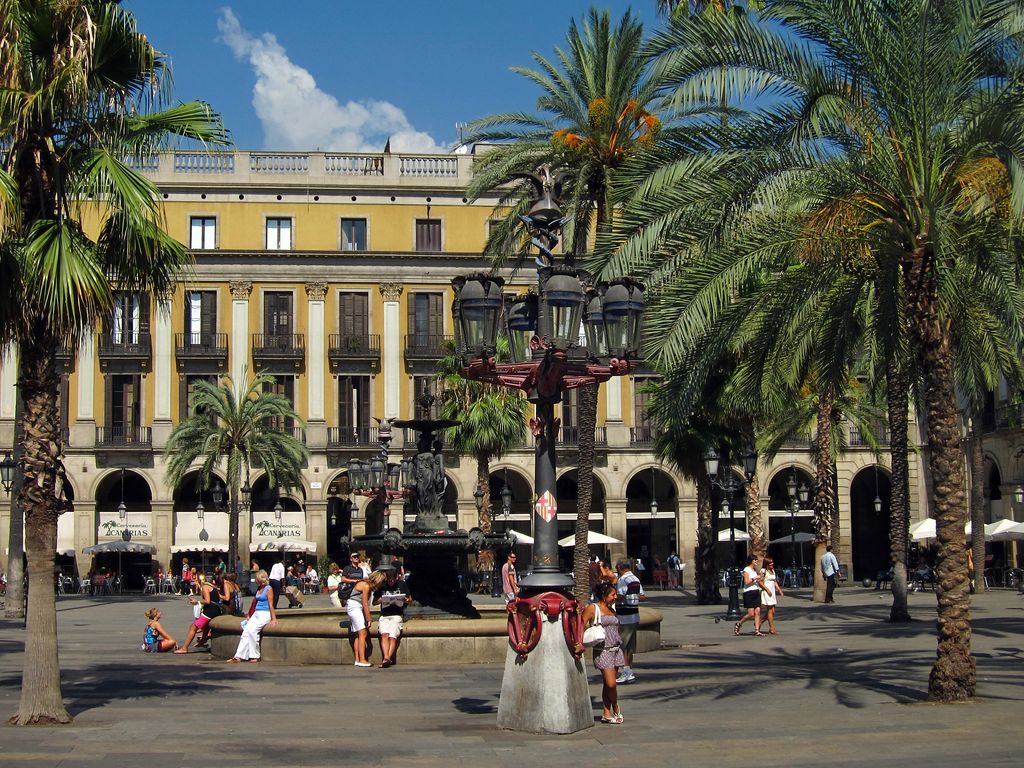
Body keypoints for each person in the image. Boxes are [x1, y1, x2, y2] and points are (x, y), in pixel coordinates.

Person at [582, 582, 624, 724]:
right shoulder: (593, 608)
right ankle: (616, 707)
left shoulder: (611, 609)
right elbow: (580, 625)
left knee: (608, 684)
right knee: (611, 684)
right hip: (603, 650)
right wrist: (578, 644)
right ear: (604, 596)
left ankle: (606, 713)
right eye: (613, 595)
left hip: (616, 649)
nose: (615, 597)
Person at [228, 569, 277, 663]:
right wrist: (250, 614)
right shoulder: (259, 588)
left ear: (262, 579)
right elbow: (254, 602)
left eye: (257, 579)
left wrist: (273, 618)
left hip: (265, 613)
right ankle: (238, 656)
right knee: (246, 631)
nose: (255, 580)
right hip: (256, 613)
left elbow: (271, 605)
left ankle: (255, 655)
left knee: (253, 631)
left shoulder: (268, 589)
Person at [614, 558, 645, 683]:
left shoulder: (623, 580)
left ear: (619, 567)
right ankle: (629, 671)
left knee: (622, 645)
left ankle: (626, 672)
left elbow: (621, 596)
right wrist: (633, 596)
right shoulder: (635, 579)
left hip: (625, 616)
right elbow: (642, 597)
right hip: (634, 615)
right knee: (630, 646)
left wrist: (612, 598)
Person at [347, 570, 387, 667]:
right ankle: (362, 660)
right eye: (382, 582)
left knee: (357, 634)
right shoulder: (366, 586)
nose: (382, 584)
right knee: (363, 633)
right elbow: (365, 604)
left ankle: (357, 659)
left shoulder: (366, 584)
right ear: (378, 580)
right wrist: (369, 619)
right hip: (355, 607)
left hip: (353, 607)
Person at [372, 565, 409, 667]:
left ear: (397, 577)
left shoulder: (402, 584)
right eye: (389, 579)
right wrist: (381, 600)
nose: (391, 581)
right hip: (384, 615)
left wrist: (405, 600)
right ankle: (386, 658)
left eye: (393, 579)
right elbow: (374, 602)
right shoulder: (382, 586)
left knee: (392, 636)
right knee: (384, 634)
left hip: (397, 615)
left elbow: (410, 599)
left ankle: (386, 658)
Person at [175, 574, 222, 653]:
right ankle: (202, 641)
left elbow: (207, 601)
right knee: (206, 626)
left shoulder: (205, 587)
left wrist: (197, 602)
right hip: (216, 609)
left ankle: (184, 648)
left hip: (210, 611)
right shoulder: (213, 587)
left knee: (193, 627)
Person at [735, 554, 766, 636]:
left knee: (758, 611)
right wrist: (755, 578)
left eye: (756, 559)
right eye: (754, 560)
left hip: (756, 591)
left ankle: (757, 630)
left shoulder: (754, 570)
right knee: (751, 614)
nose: (756, 561)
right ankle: (739, 623)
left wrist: (761, 577)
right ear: (751, 561)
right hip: (748, 593)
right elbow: (746, 582)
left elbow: (757, 581)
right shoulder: (746, 570)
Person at [759, 557, 783, 635]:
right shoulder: (763, 571)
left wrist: (779, 590)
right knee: (770, 610)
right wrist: (767, 590)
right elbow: (760, 582)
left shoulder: (773, 571)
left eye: (772, 562)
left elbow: (774, 581)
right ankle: (772, 628)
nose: (772, 564)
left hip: (772, 592)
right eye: (770, 563)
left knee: (773, 611)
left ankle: (760, 622)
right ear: (766, 564)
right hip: (767, 592)